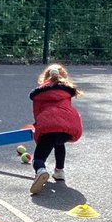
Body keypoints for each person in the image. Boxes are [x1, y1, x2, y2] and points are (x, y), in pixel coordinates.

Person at [28, 63, 83, 195]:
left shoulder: (39, 93)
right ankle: (59, 171)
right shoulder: (66, 91)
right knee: (59, 143)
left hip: (49, 126)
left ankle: (41, 170)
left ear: (44, 78)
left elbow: (37, 113)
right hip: (70, 125)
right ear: (63, 77)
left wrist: (38, 130)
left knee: (39, 157)